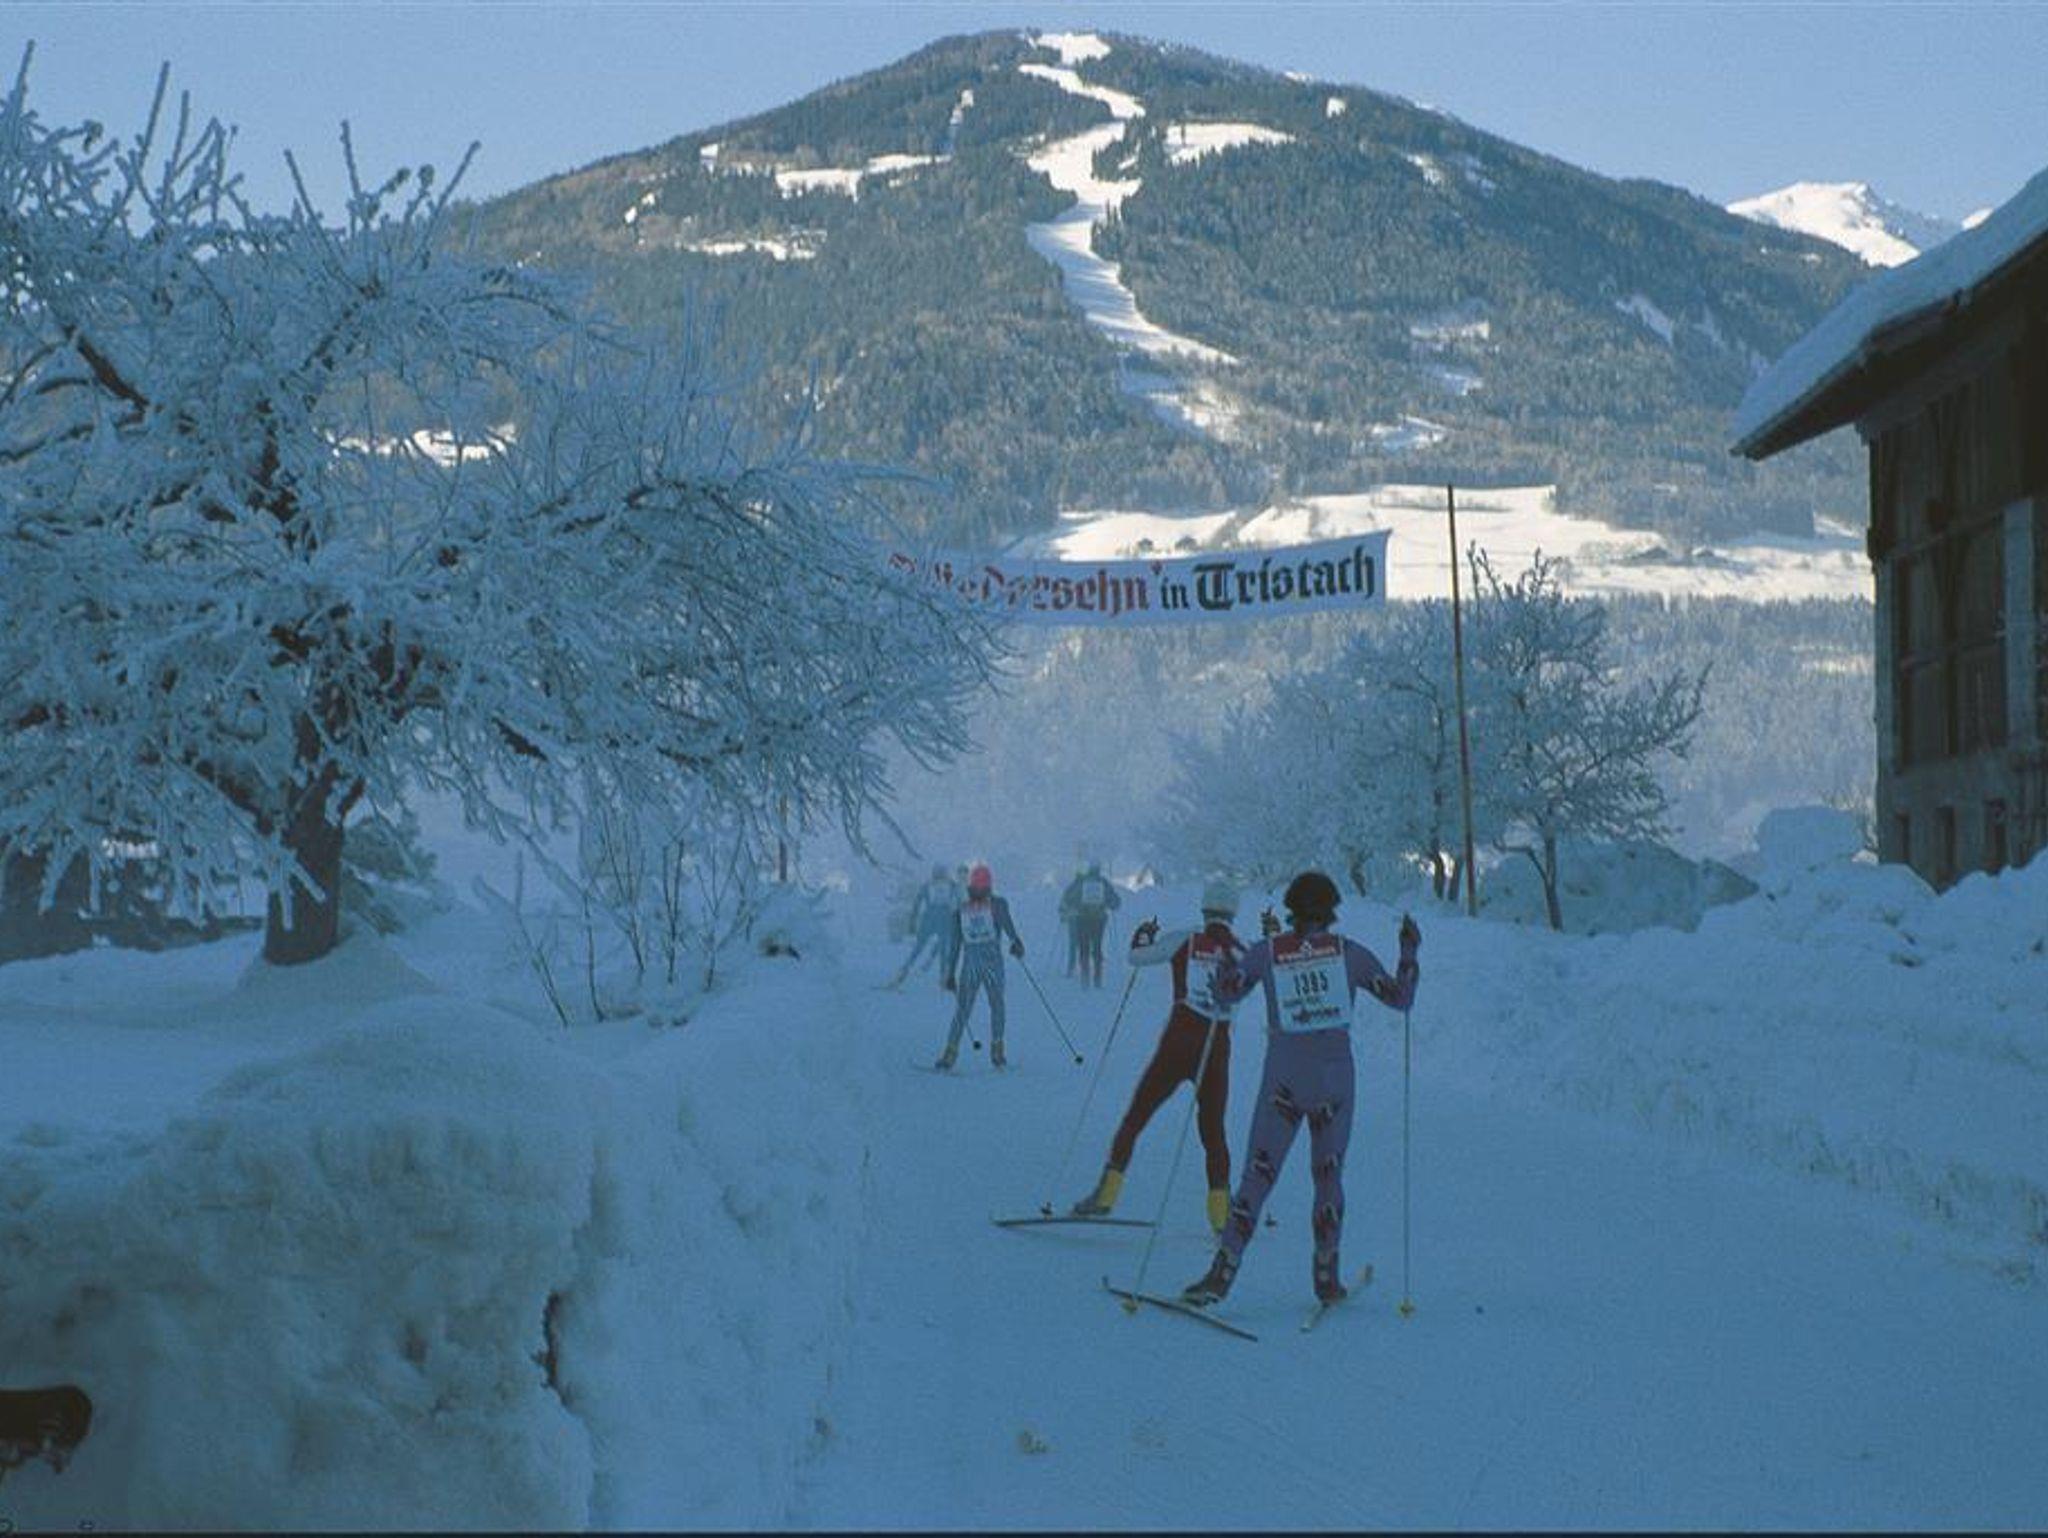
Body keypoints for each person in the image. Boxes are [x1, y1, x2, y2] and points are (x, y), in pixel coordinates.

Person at [1180, 870, 1419, 1308]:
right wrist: (1408, 950)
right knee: (1328, 1176)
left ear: (1291, 909)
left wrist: (1225, 964)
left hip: (1284, 1079)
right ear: (1331, 910)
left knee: (1258, 1174)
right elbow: (1401, 998)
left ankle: (1222, 1272)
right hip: (1335, 1081)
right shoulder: (1349, 953)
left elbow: (1226, 993)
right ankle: (1326, 1275)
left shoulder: (1269, 952)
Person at [1069, 880, 1245, 1233]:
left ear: (1205, 908)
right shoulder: (1243, 949)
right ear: (1233, 912)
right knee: (1213, 1132)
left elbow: (1137, 956)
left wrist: (1144, 934)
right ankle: (1220, 1215)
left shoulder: (1185, 939)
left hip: (1178, 1043)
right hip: (1215, 1048)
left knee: (1137, 1115)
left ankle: (1106, 1194)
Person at [936, 864, 1025, 1071]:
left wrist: (950, 973)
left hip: (970, 967)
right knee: (997, 1006)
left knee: (963, 1010)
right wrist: (1016, 943)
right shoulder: (998, 905)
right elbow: (1009, 927)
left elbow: (955, 945)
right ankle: (997, 1052)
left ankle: (950, 1054)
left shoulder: (961, 910)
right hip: (993, 965)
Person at [888, 863, 959, 989]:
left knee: (918, 948)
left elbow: (917, 903)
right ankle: (944, 978)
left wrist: (912, 922)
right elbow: (960, 901)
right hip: (944, 919)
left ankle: (902, 973)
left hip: (930, 918)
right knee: (943, 950)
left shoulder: (928, 885)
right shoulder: (952, 885)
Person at [1060, 860, 1122, 988]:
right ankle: (1097, 979)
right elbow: (1115, 903)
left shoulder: (1080, 882)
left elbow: (1068, 898)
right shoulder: (1103, 883)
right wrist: (1107, 905)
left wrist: (1072, 908)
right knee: (1097, 947)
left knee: (1084, 947)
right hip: (1099, 920)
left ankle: (1085, 979)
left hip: (1082, 919)